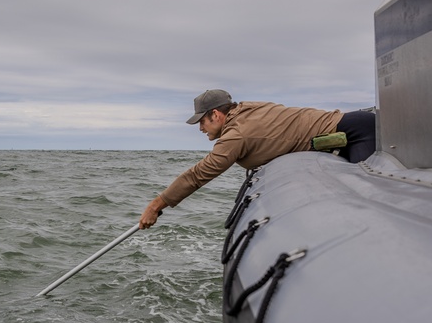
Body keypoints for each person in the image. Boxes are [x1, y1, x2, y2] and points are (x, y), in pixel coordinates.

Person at [140, 89, 376, 229]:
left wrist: (156, 205)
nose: (200, 127)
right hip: (354, 126)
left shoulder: (237, 133)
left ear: (216, 114)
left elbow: (198, 175)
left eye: (202, 121)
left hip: (357, 134)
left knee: (368, 205)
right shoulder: (245, 110)